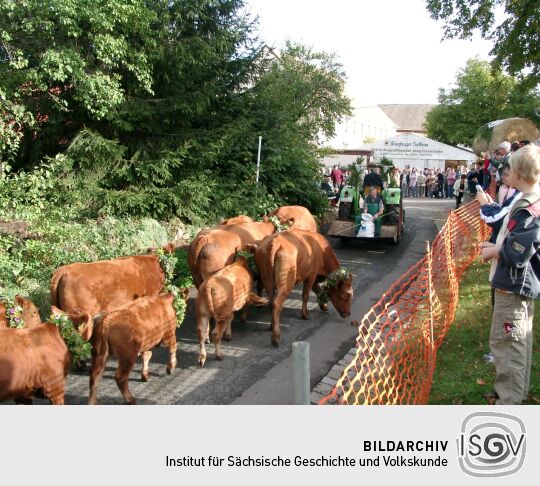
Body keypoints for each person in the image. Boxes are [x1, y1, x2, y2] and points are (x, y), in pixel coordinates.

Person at [479, 144, 540, 405]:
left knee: (508, 346)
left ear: (520, 172)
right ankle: (515, 395)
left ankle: (508, 406)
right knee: (517, 343)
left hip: (513, 287)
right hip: (518, 286)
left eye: (510, 168)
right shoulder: (529, 200)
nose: (506, 172)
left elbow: (518, 252)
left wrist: (494, 250)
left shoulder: (527, 207)